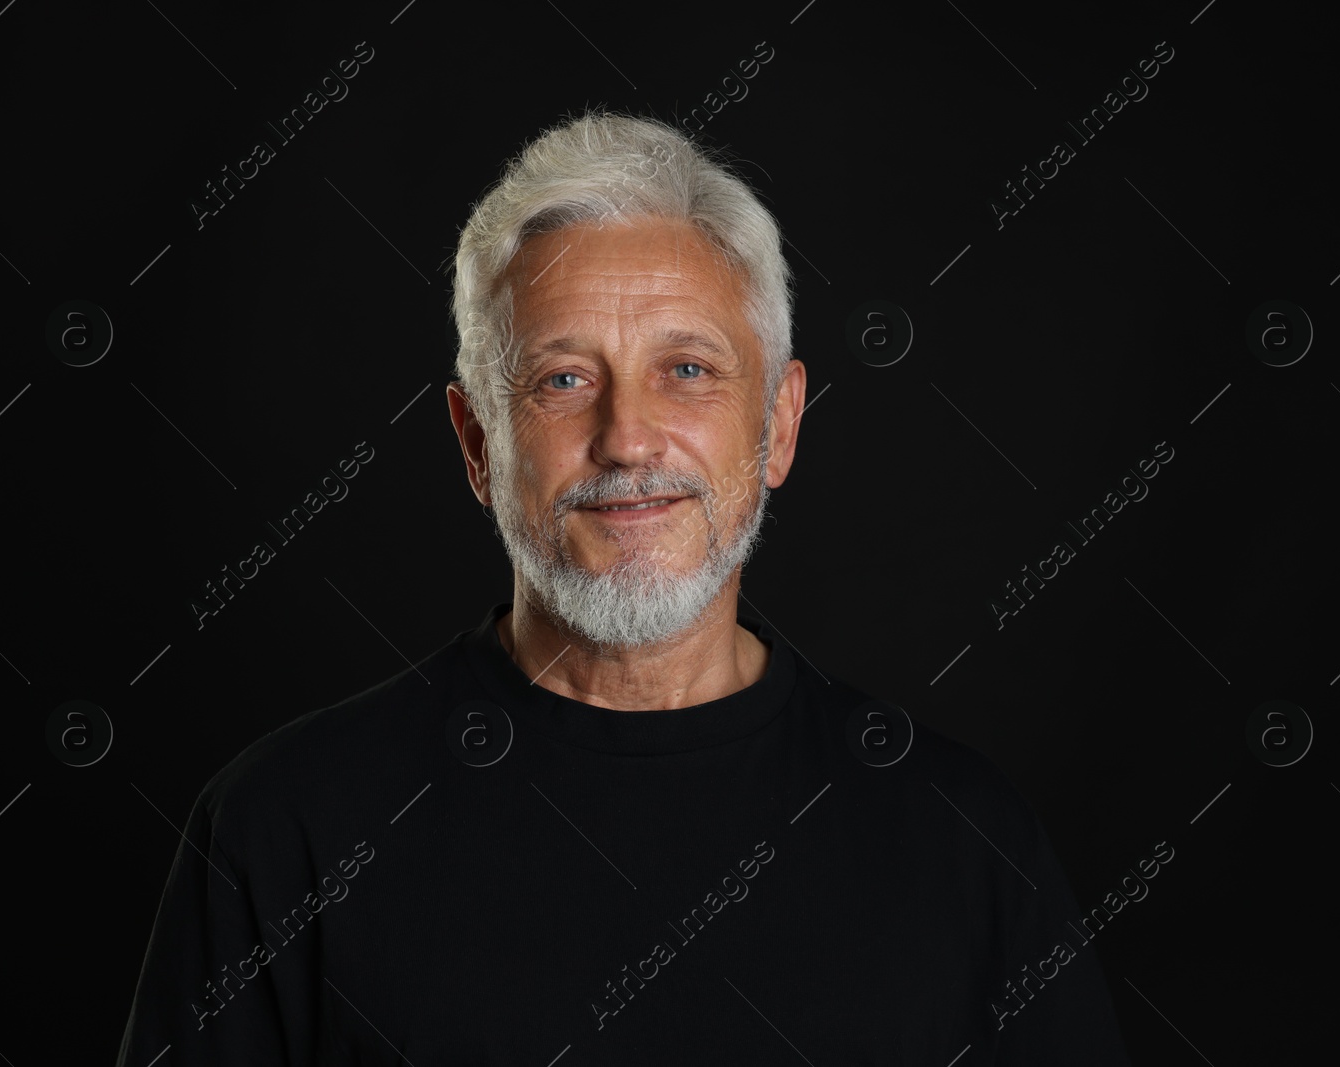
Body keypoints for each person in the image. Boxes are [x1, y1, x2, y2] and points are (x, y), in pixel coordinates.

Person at [114, 109, 1132, 1065]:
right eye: (563, 379)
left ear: (778, 424)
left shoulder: (962, 838)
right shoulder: (286, 829)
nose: (627, 437)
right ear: (477, 442)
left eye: (687, 368)